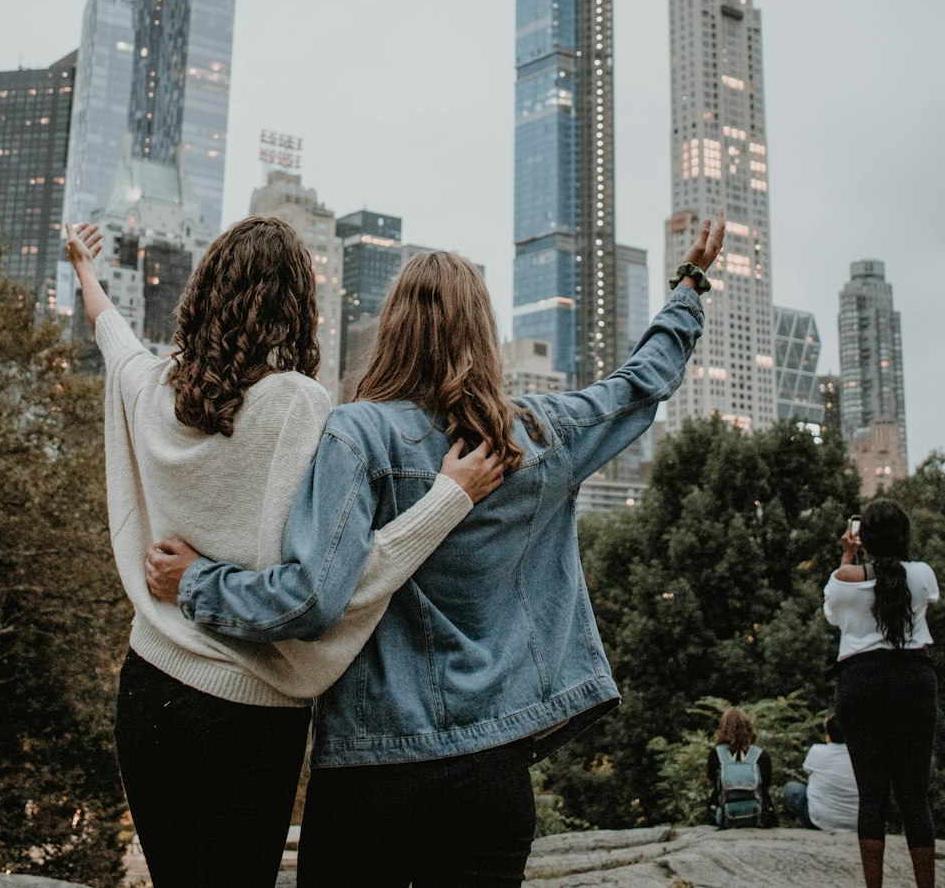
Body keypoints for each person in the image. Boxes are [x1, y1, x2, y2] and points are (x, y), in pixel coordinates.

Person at [145, 211, 725, 887]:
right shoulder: (537, 434)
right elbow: (639, 385)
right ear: (484, 331)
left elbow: (307, 597)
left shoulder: (353, 435)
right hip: (494, 769)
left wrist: (197, 582)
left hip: (371, 771)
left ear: (391, 328)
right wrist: (689, 288)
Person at [64, 217, 501, 888]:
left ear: (204, 291)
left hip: (147, 691)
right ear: (298, 305)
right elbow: (334, 582)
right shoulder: (299, 404)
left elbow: (112, 334)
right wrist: (447, 499)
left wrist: (85, 271)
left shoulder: (153, 389)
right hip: (247, 715)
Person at [825, 501, 939, 888]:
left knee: (871, 794)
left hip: (860, 683)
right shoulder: (922, 574)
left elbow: (833, 616)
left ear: (863, 536)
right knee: (915, 795)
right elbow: (924, 597)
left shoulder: (843, 577)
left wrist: (847, 552)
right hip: (913, 680)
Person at [782, 712, 859, 831]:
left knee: (791, 788)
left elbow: (806, 771)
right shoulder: (862, 756)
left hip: (819, 820)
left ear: (828, 735)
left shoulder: (817, 751)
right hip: (856, 822)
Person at [707, 707, 776, 828]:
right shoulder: (761, 755)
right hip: (759, 815)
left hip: (723, 814)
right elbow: (766, 785)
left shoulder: (716, 754)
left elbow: (712, 782)